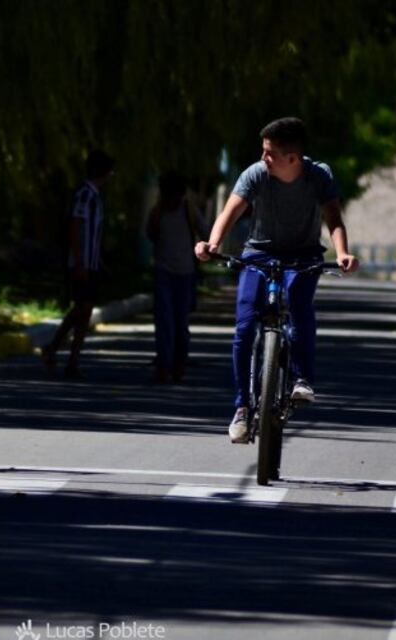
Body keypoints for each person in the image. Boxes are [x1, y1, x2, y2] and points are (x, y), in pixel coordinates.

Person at [194, 117, 359, 443]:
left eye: (269, 153)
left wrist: (342, 253)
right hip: (259, 254)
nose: (263, 158)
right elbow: (230, 212)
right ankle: (242, 407)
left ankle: (301, 380)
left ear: (292, 159)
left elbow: (333, 218)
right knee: (244, 324)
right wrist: (212, 244)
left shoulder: (318, 176)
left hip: (304, 255)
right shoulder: (256, 174)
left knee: (299, 301)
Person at [41, 149, 115, 378]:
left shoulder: (96, 197)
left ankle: (71, 359)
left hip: (90, 262)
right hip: (81, 263)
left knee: (85, 310)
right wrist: (80, 261)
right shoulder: (85, 195)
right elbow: (75, 225)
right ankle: (54, 348)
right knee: (81, 307)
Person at [146, 171, 202, 383]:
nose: (170, 199)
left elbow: (205, 231)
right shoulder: (157, 211)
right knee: (164, 321)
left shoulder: (188, 210)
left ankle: (178, 363)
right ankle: (164, 364)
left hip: (185, 274)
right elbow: (149, 233)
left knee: (180, 322)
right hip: (163, 272)